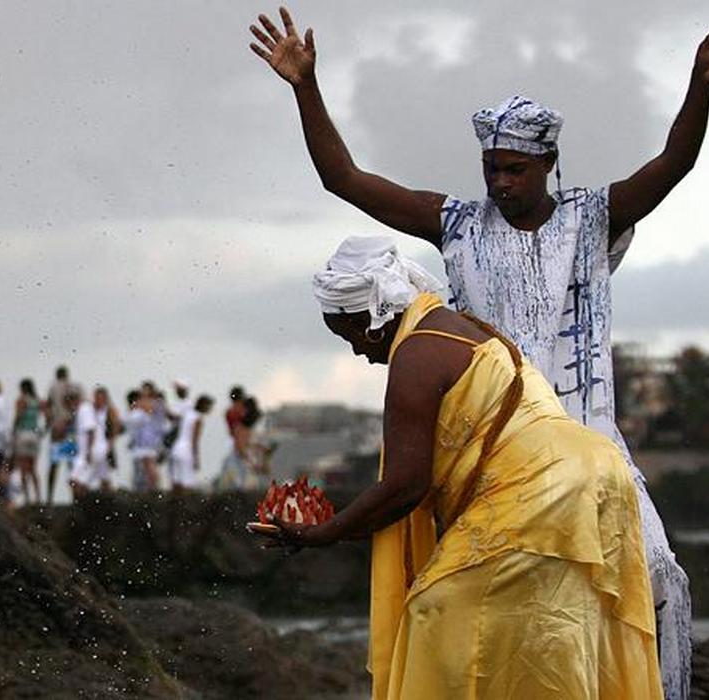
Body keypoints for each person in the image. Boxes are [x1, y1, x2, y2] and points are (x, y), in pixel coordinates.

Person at [248, 9, 709, 694]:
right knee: (479, 614)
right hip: (488, 457)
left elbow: (674, 163)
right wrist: (304, 87)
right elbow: (344, 178)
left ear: (549, 164)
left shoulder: (592, 217)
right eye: (492, 167)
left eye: (517, 169)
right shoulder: (457, 223)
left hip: (589, 439)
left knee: (657, 580)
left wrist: (701, 86)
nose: (501, 182)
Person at [252, 236, 660, 698]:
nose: (358, 352)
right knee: (555, 632)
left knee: (438, 613)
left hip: (541, 487)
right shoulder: (459, 326)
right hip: (596, 474)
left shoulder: (416, 355)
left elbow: (406, 486)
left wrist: (322, 534)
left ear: (376, 315)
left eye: (350, 333)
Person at [44, 366, 81, 504]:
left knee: (54, 463)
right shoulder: (74, 386)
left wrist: (49, 424)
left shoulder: (53, 387)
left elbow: (48, 406)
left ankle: (49, 497)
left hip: (57, 428)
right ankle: (75, 498)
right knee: (71, 464)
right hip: (71, 428)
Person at [71, 386, 113, 496]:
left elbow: (91, 431)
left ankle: (81, 506)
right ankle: (109, 505)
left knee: (77, 480)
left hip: (92, 450)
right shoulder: (100, 410)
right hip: (100, 449)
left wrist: (88, 451)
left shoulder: (85, 409)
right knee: (104, 479)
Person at [169, 395, 213, 494]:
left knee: (177, 482)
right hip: (186, 451)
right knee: (188, 484)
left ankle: (174, 505)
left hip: (176, 448)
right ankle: (186, 506)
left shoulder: (187, 413)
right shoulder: (198, 419)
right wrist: (196, 458)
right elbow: (194, 440)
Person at [10, 378, 45, 505]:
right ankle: (38, 497)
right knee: (33, 469)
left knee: (23, 469)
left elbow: (18, 416)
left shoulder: (21, 400)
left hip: (23, 433)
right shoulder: (38, 401)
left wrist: (13, 431)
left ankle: (27, 498)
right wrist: (43, 431)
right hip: (35, 435)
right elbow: (49, 416)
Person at [125, 389, 166, 491]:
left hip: (148, 447)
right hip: (142, 448)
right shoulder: (136, 413)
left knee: (149, 474)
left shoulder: (150, 410)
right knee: (142, 475)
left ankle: (153, 492)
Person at [215, 386, 254, 491]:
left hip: (233, 442)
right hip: (241, 443)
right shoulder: (242, 411)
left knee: (231, 470)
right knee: (243, 473)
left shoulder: (229, 411)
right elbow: (240, 430)